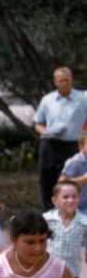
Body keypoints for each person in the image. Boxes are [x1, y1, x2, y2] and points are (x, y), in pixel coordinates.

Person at [33, 66, 87, 210]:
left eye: (67, 80)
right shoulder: (47, 100)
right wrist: (45, 132)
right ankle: (49, 215)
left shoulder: (83, 98)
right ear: (55, 82)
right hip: (50, 145)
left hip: (72, 146)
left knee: (68, 183)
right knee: (47, 181)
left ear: (72, 80)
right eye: (61, 80)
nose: (64, 83)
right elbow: (38, 123)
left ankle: (70, 214)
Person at [44, 180, 87, 278]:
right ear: (55, 200)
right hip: (48, 271)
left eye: (74, 196)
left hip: (72, 272)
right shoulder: (46, 219)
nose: (71, 200)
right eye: (65, 197)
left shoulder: (84, 222)